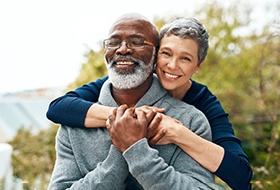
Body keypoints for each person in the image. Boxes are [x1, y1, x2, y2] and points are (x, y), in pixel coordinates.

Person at [47, 17, 252, 189]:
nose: (172, 65)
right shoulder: (78, 118)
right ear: (156, 57)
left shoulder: (199, 112)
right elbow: (58, 107)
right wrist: (127, 123)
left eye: (186, 59)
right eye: (167, 54)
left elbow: (240, 176)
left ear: (198, 65)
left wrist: (176, 134)